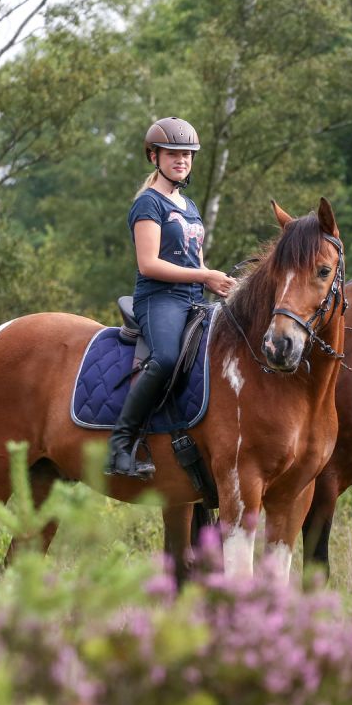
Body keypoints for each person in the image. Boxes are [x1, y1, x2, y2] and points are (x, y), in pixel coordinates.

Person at [106, 117, 237, 478]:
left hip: (194, 298)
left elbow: (193, 258)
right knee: (165, 358)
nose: (181, 160)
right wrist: (203, 275)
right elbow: (149, 264)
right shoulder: (148, 204)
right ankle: (120, 443)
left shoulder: (188, 204)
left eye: (187, 154)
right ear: (154, 156)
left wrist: (217, 281)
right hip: (159, 299)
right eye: (173, 154)